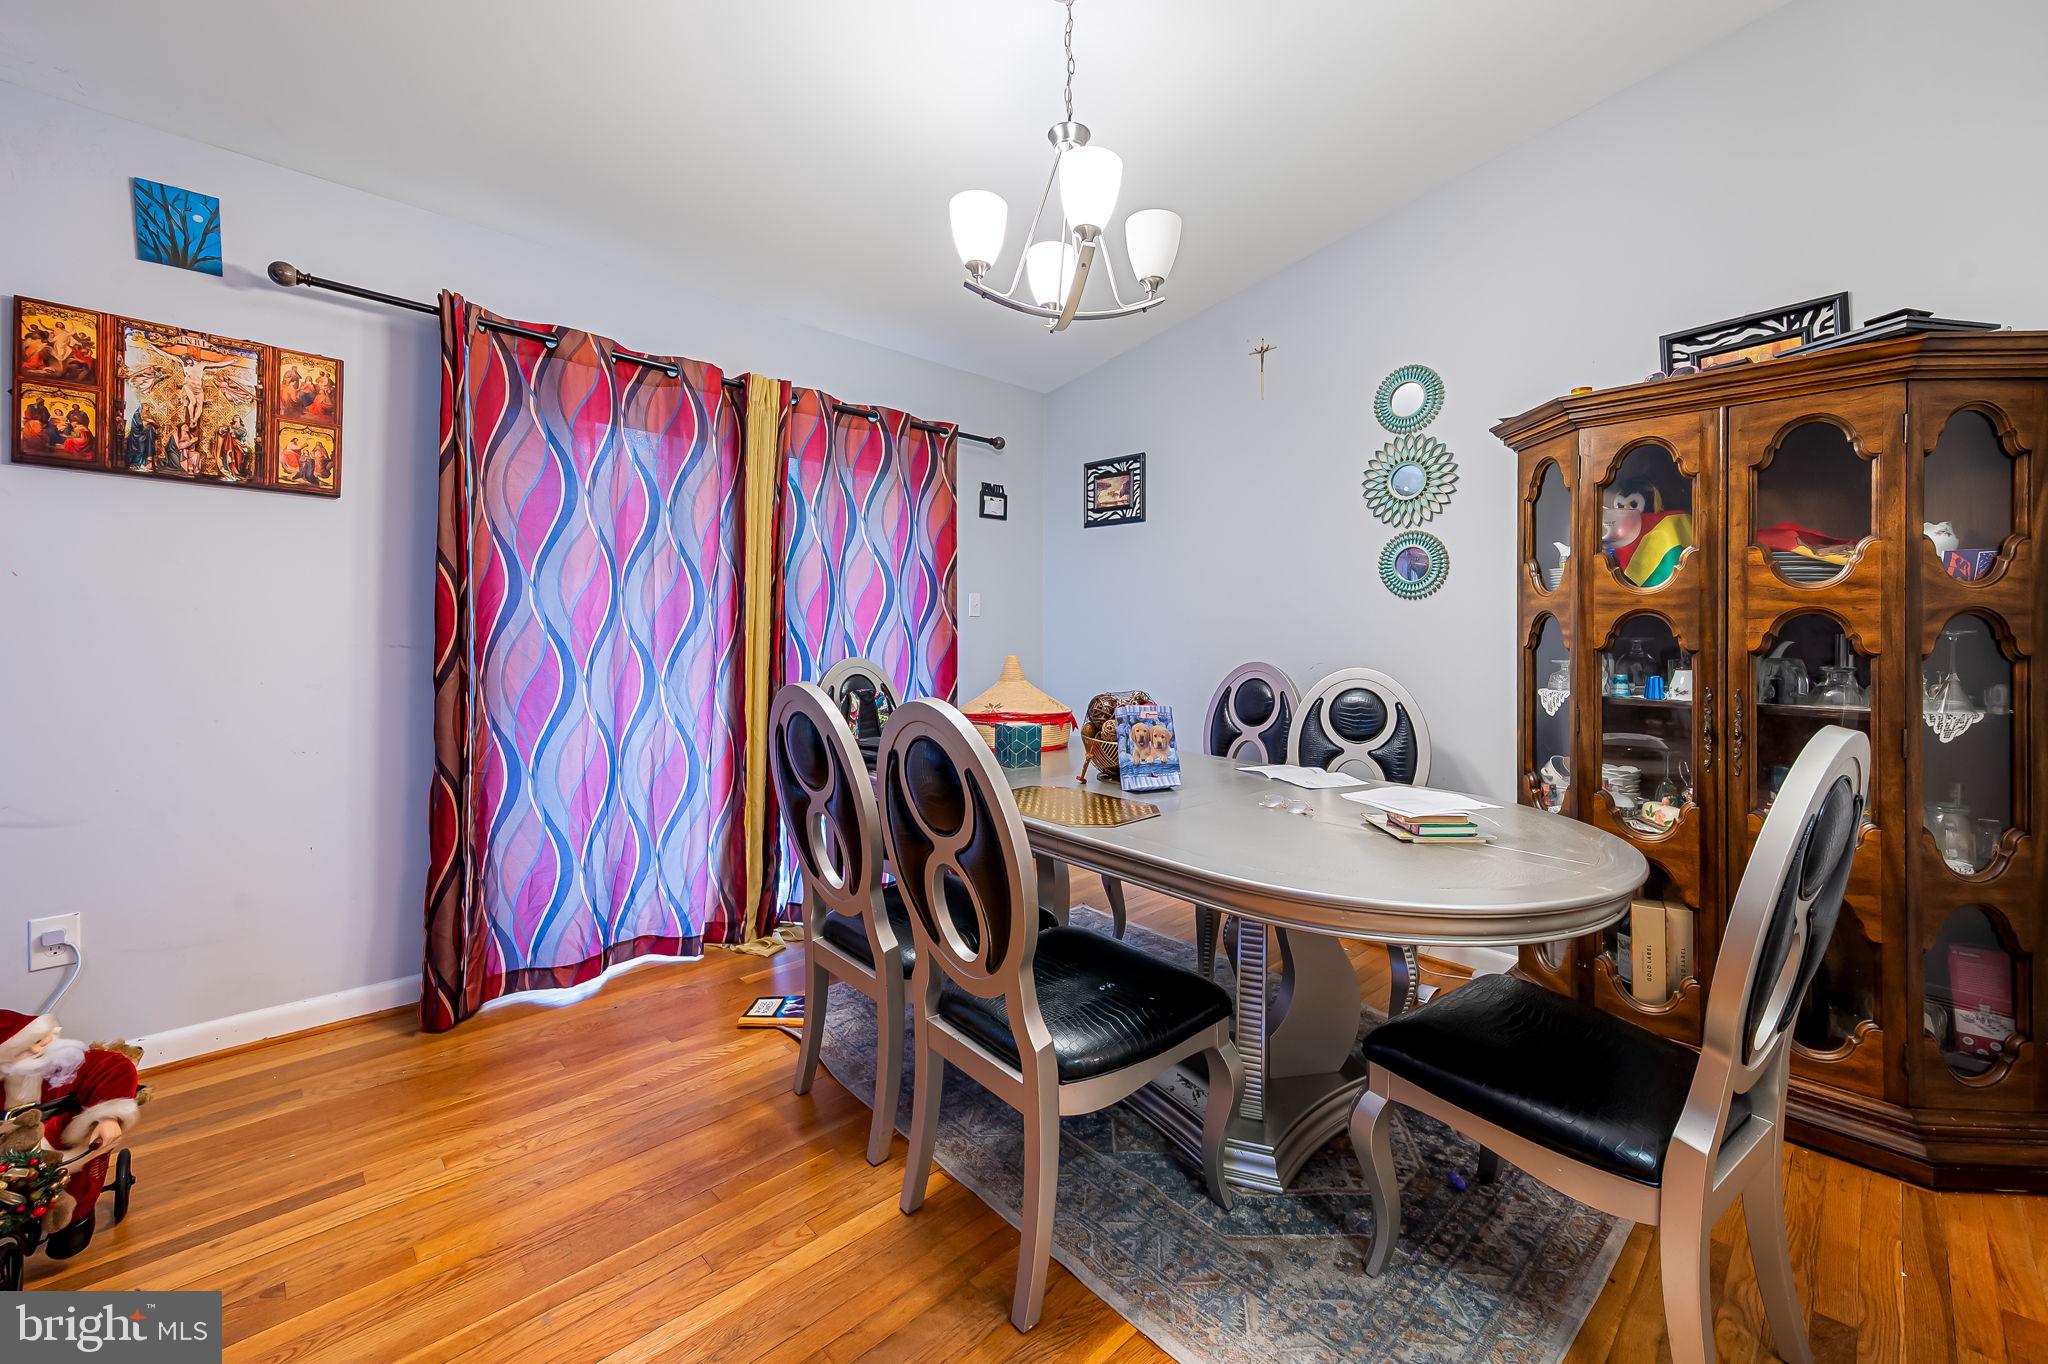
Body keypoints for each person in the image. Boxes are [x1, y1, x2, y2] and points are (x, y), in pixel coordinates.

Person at [0, 1010, 145, 1259]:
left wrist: (109, 1117)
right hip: (9, 1158)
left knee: (73, 1193)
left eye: (41, 1040)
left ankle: (76, 1219)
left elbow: (114, 1066)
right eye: (29, 1046)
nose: (40, 1049)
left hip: (64, 1147)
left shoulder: (65, 1063)